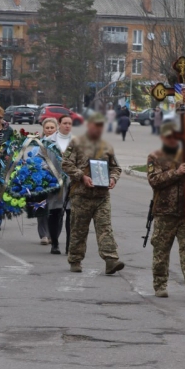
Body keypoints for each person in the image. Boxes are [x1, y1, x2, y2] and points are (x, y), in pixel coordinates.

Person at [146, 122, 185, 299]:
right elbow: (154, 180)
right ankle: (160, 284)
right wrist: (177, 172)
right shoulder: (155, 156)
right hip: (164, 213)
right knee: (161, 252)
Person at [62, 113, 124, 275]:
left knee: (105, 229)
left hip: (101, 196)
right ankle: (75, 260)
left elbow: (116, 167)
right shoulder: (77, 143)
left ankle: (111, 260)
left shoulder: (107, 146)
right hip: (81, 195)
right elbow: (66, 163)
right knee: (78, 229)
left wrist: (112, 179)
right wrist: (82, 177)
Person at [44, 114, 73, 255]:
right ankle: (54, 243)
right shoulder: (49, 141)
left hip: (72, 183)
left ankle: (70, 245)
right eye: (65, 123)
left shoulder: (76, 142)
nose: (67, 126)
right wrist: (46, 170)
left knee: (71, 213)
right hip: (54, 181)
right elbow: (40, 158)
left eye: (70, 123)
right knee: (54, 212)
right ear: (59, 124)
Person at [36, 118, 60, 246]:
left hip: (58, 180)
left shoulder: (61, 143)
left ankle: (54, 234)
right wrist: (44, 167)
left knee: (57, 208)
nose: (50, 130)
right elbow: (36, 159)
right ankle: (44, 234)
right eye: (47, 128)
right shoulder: (40, 143)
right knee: (42, 206)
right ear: (43, 130)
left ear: (56, 128)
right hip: (43, 179)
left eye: (52, 127)